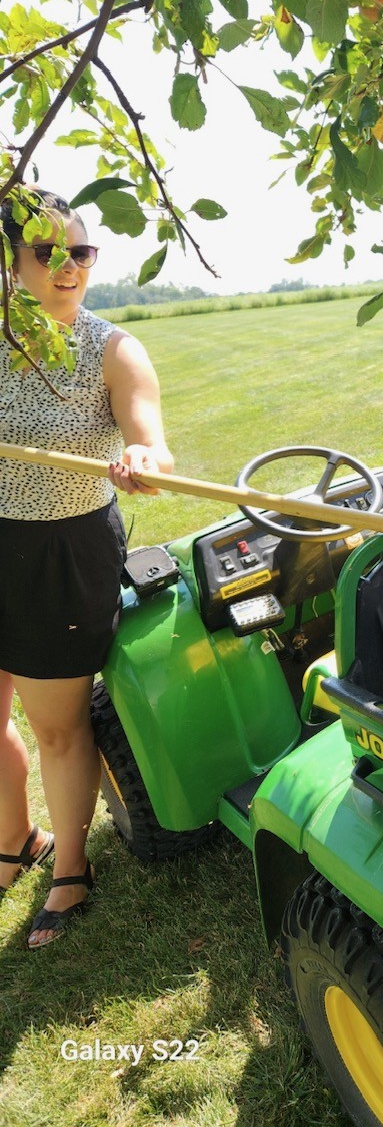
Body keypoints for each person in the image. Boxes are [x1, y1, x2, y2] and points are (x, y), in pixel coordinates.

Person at [0, 188, 173, 948]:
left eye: (81, 252)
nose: (69, 266)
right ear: (10, 263)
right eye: (48, 253)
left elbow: (148, 435)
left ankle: (71, 865)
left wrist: (143, 457)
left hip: (61, 553)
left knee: (56, 726)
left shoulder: (111, 349)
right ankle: (17, 840)